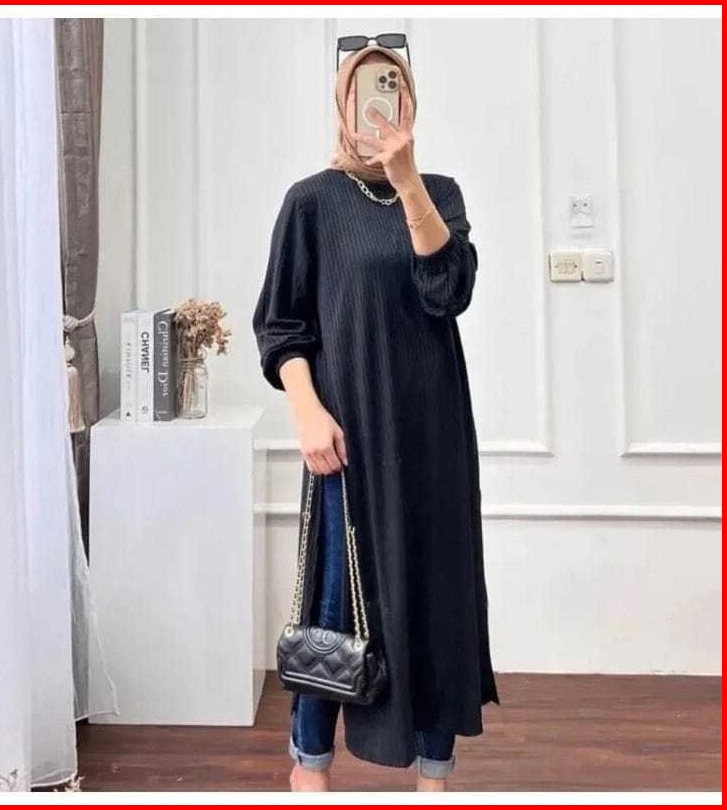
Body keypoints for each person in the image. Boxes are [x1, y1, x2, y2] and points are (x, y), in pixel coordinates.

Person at [252, 42, 500, 792]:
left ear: (410, 104)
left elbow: (448, 289)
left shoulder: (440, 194)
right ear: (343, 105)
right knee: (333, 602)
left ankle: (434, 775)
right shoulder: (310, 201)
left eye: (392, 89)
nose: (379, 104)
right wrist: (307, 413)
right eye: (364, 91)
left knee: (433, 594)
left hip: (432, 437)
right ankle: (310, 769)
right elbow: (282, 326)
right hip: (347, 436)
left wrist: (407, 177)